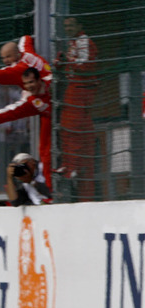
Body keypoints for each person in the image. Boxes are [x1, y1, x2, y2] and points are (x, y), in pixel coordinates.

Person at [0, 67, 53, 188]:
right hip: (53, 123)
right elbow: (10, 112)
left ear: (39, 80)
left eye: (31, 82)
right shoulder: (30, 100)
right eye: (25, 83)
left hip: (74, 117)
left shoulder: (53, 82)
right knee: (44, 151)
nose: (28, 86)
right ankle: (51, 190)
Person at [57, 17, 98, 200]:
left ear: (80, 26)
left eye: (71, 25)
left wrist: (67, 61)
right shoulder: (75, 42)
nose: (68, 29)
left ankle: (71, 166)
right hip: (76, 87)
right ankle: (70, 165)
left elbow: (84, 65)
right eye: (65, 26)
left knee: (71, 127)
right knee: (70, 127)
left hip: (82, 89)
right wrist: (62, 62)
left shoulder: (84, 42)